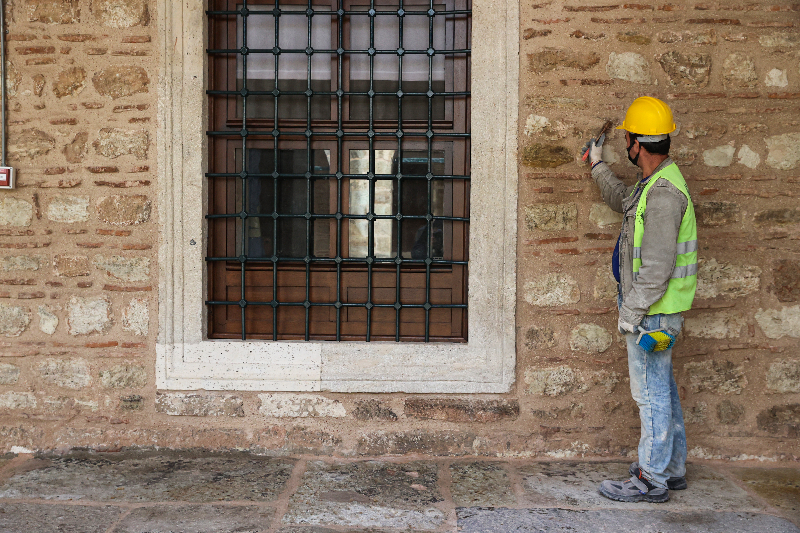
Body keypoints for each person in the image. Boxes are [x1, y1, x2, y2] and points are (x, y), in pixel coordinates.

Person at [584, 96, 697, 503]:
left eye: (627, 139)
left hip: (653, 314)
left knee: (649, 394)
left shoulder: (665, 194)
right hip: (656, 312)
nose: (626, 145)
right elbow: (622, 201)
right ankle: (672, 469)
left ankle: (651, 480)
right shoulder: (653, 184)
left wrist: (629, 312)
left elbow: (657, 268)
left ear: (637, 144)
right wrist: (597, 165)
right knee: (662, 388)